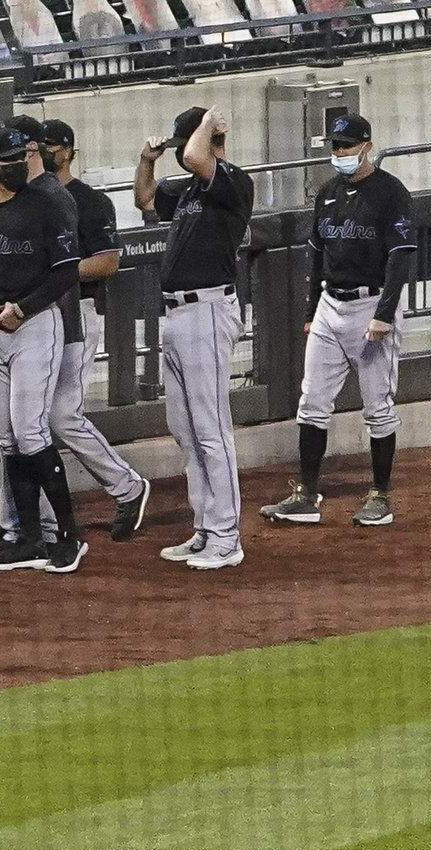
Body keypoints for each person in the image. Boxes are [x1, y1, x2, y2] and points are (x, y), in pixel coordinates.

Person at [261, 112, 416, 529]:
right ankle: (307, 496)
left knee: (377, 409)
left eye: (346, 146)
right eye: (335, 146)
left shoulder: (390, 193)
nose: (340, 153)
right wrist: (312, 313)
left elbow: (400, 257)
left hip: (371, 306)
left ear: (367, 145)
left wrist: (384, 315)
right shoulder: (327, 192)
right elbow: (317, 255)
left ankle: (380, 495)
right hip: (331, 307)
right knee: (311, 404)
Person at [0, 115, 86, 576]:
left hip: (34, 326)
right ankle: (28, 537)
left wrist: (23, 308)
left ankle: (68, 535)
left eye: (21, 158)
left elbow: (66, 270)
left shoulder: (45, 205)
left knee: (31, 432)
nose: (16, 166)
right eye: (7, 161)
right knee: (9, 436)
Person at [138, 104, 253, 570]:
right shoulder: (187, 190)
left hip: (207, 309)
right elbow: (144, 199)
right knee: (185, 430)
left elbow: (194, 159)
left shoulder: (231, 180)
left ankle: (228, 537)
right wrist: (146, 160)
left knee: (211, 431)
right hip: (178, 314)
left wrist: (209, 124)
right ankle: (206, 528)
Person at [39, 120, 151, 540]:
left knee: (62, 416)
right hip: (35, 316)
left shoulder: (89, 200)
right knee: (26, 421)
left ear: (67, 151)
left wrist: (53, 273)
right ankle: (34, 521)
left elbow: (107, 262)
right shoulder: (30, 200)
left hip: (78, 309)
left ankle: (127, 485)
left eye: (50, 147)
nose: (46, 154)